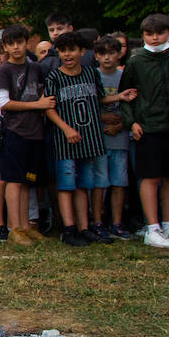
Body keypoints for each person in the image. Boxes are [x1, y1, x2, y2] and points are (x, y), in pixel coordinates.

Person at [120, 13, 169, 248]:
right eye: (149, 34)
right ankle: (152, 228)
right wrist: (131, 122)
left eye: (159, 33)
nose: (154, 38)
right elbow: (126, 95)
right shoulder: (136, 60)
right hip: (148, 127)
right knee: (150, 176)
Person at [44, 31, 117, 246]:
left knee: (84, 184)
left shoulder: (91, 73)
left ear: (82, 51)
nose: (67, 54)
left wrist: (120, 96)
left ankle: (85, 228)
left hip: (90, 138)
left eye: (72, 50)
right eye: (63, 50)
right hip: (64, 140)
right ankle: (69, 229)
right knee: (66, 184)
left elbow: (100, 98)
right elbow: (48, 108)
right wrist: (66, 128)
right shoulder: (54, 77)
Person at [0, 25, 51, 245]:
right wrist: (36, 105)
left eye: (20, 42)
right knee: (13, 180)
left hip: (35, 131)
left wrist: (40, 105)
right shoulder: (4, 71)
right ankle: (15, 228)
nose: (16, 47)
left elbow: (44, 96)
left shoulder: (36, 68)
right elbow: (3, 103)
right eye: (11, 43)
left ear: (27, 43)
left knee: (26, 181)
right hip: (15, 131)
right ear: (5, 47)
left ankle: (25, 225)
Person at [93, 37, 134, 240]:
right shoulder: (92, 76)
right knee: (100, 182)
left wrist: (120, 124)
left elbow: (135, 104)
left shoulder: (125, 76)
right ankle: (97, 222)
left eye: (111, 52)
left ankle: (117, 223)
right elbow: (88, 105)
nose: (107, 57)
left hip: (120, 137)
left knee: (119, 181)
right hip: (99, 138)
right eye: (102, 53)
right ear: (96, 56)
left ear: (120, 54)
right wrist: (102, 117)